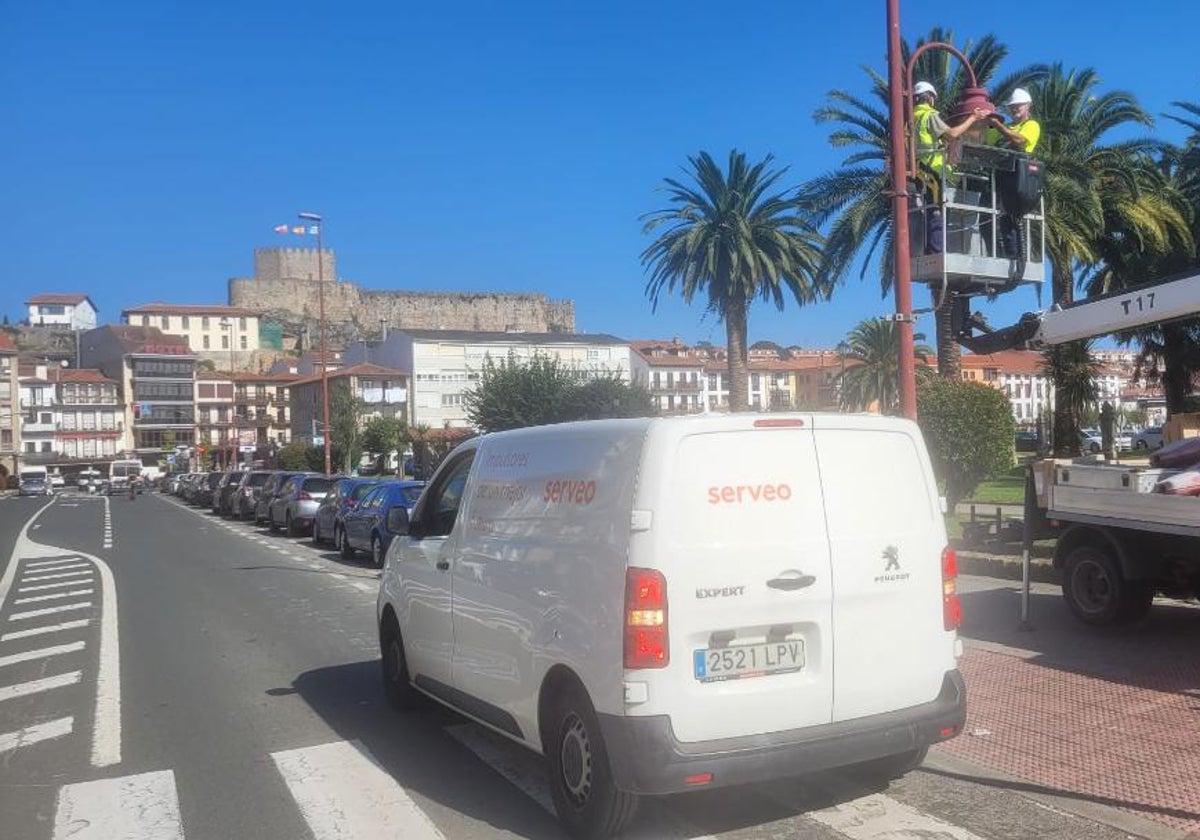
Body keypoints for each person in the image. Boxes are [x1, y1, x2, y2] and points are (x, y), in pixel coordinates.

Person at [913, 81, 990, 253]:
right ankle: (937, 249)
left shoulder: (912, 119)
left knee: (929, 209)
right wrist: (973, 118)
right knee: (936, 210)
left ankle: (931, 248)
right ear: (930, 98)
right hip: (932, 170)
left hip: (919, 171)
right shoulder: (929, 116)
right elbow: (953, 134)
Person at [986, 88, 1042, 258]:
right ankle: (998, 253)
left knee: (1010, 218)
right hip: (1000, 176)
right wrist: (985, 122)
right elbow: (987, 141)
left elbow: (1020, 140)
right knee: (992, 215)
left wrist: (999, 127)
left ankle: (1014, 256)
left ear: (1028, 106)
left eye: (1018, 106)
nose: (1014, 109)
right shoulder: (1006, 126)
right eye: (1012, 106)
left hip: (1018, 177)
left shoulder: (1031, 125)